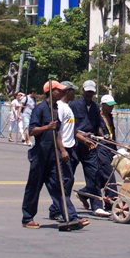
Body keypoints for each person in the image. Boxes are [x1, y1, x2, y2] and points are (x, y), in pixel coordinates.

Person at [21, 80, 68, 229]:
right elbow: (32, 131)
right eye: (58, 90)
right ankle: (27, 218)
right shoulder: (40, 108)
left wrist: (62, 150)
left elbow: (57, 133)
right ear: (51, 92)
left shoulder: (55, 109)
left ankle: (69, 216)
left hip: (53, 154)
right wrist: (47, 127)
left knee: (58, 185)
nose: (61, 93)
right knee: (34, 186)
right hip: (40, 154)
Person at [48, 81, 92, 227]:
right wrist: (62, 150)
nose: (76, 94)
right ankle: (67, 213)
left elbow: (71, 130)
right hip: (63, 149)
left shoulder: (67, 107)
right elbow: (56, 131)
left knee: (68, 181)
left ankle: (56, 209)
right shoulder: (59, 107)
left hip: (70, 148)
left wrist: (84, 140)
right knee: (63, 182)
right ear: (68, 92)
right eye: (74, 91)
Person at [70, 80, 110, 217]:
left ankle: (97, 205)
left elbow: (98, 124)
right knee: (68, 176)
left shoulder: (95, 107)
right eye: (87, 92)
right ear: (82, 91)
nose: (89, 94)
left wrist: (102, 135)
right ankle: (59, 206)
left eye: (91, 92)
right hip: (75, 144)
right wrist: (81, 136)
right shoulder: (73, 105)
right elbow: (69, 126)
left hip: (90, 144)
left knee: (94, 174)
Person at [98, 94, 119, 209]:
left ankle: (86, 192)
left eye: (112, 106)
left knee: (100, 177)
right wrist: (102, 136)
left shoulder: (110, 117)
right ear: (103, 105)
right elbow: (98, 129)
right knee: (109, 175)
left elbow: (112, 132)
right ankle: (111, 200)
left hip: (110, 148)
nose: (112, 108)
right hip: (101, 148)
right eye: (109, 106)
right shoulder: (98, 116)